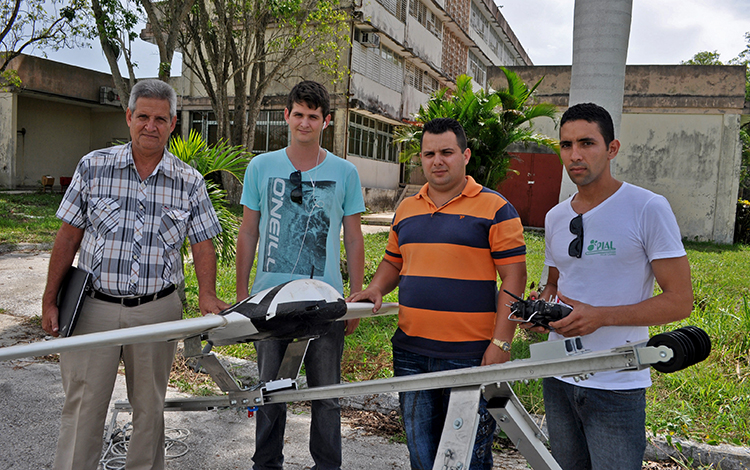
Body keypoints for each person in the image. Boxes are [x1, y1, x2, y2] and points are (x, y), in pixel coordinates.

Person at [41, 79, 229, 470]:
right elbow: (68, 236)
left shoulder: (190, 182)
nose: (151, 126)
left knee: (150, 411)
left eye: (160, 119)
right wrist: (49, 298)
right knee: (83, 409)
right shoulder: (94, 166)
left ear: (173, 123)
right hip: (94, 309)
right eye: (142, 116)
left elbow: (203, 243)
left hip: (157, 311)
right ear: (128, 117)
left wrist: (208, 296)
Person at [349, 117, 527, 470]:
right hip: (412, 353)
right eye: (429, 154)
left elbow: (515, 278)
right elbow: (392, 263)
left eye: (447, 152)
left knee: (467, 458)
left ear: (465, 155)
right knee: (421, 455)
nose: (437, 161)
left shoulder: (496, 208)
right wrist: (375, 287)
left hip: (471, 355)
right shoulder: (408, 208)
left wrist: (501, 343)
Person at [530, 102, 693, 470]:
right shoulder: (556, 216)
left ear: (612, 148)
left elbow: (680, 301)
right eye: (566, 145)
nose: (575, 155)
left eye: (587, 143)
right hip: (558, 374)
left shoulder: (647, 207)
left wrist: (601, 317)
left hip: (617, 380)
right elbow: (553, 286)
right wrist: (539, 310)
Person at [235, 80, 365, 470]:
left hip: (324, 302)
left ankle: (327, 466)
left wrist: (356, 297)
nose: (304, 123)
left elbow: (355, 238)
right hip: (269, 303)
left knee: (326, 395)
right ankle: (266, 464)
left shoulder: (345, 172)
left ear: (326, 121)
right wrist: (241, 295)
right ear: (286, 115)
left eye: (313, 116)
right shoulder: (261, 167)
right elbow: (248, 231)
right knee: (270, 394)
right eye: (298, 114)